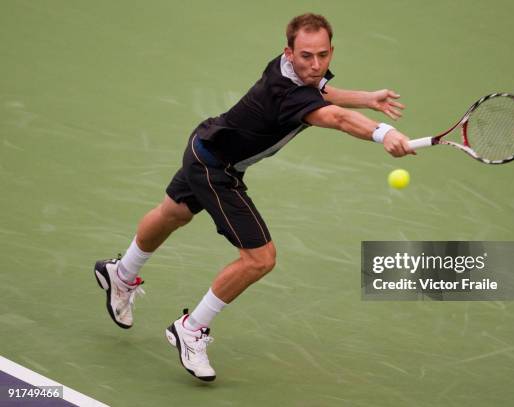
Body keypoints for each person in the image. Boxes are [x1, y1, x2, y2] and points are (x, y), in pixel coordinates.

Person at [93, 12, 415, 382]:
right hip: (216, 168)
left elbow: (321, 91)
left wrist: (367, 99)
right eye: (306, 56)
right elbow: (337, 118)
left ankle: (120, 272)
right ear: (288, 52)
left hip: (205, 144)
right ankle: (190, 328)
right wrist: (383, 132)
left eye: (323, 55)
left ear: (330, 51)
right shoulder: (287, 92)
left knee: (173, 214)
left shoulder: (294, 72)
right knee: (260, 259)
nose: (315, 64)